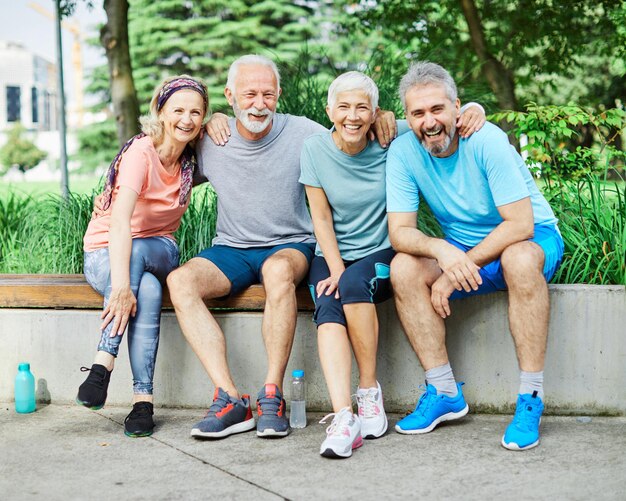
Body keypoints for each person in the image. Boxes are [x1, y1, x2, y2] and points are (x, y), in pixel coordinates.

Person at [166, 55, 397, 440]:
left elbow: (349, 126)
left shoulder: (304, 133)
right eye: (250, 94)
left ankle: (271, 394)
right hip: (232, 248)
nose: (259, 103)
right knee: (180, 282)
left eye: (268, 94)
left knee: (276, 271)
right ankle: (229, 399)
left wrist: (382, 113)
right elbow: (166, 152)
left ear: (278, 96)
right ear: (230, 96)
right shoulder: (211, 139)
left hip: (291, 246)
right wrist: (208, 121)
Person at [300, 71, 485, 458]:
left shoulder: (393, 134)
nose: (352, 116)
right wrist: (334, 267)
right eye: (344, 107)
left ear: (375, 112)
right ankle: (343, 416)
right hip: (332, 253)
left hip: (383, 251)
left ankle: (369, 393)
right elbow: (320, 219)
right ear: (329, 110)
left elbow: (437, 118)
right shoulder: (314, 149)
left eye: (362, 107)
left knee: (353, 284)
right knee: (328, 304)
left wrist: (473, 108)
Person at [386, 61, 564, 451]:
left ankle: (530, 398)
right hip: (464, 251)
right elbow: (400, 232)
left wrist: (454, 272)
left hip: (532, 239)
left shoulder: (486, 140)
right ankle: (444, 391)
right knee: (403, 267)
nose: (429, 121)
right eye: (418, 113)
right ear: (407, 118)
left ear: (457, 107)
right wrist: (442, 251)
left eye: (437, 109)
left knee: (517, 258)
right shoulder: (402, 152)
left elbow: (520, 224)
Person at [76, 76, 209, 438]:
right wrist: (122, 286)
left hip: (160, 247)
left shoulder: (193, 156)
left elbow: (233, 132)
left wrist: (221, 120)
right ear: (160, 112)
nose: (187, 119)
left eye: (196, 112)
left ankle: (103, 363)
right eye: (178, 110)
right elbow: (120, 222)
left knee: (139, 253)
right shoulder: (141, 152)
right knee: (147, 290)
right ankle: (143, 403)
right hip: (106, 251)